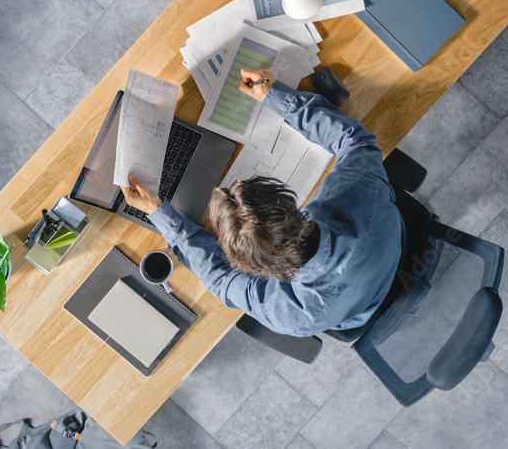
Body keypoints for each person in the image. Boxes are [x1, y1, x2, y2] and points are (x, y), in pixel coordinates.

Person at [121, 68, 405, 337]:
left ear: (257, 270)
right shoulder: (362, 193)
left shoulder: (291, 316)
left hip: (363, 297)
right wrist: (277, 97)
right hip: (387, 250)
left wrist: (159, 212)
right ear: (289, 205)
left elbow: (220, 278)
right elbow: (356, 142)